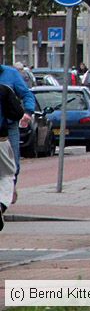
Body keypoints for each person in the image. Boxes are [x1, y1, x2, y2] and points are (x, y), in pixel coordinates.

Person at [0, 65, 36, 204]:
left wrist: (28, 112)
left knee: (13, 161)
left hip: (9, 126)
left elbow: (27, 94)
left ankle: (9, 187)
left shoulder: (11, 74)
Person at [0, 84, 26, 230]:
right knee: (7, 174)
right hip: (1, 140)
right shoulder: (4, 90)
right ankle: (1, 204)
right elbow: (17, 113)